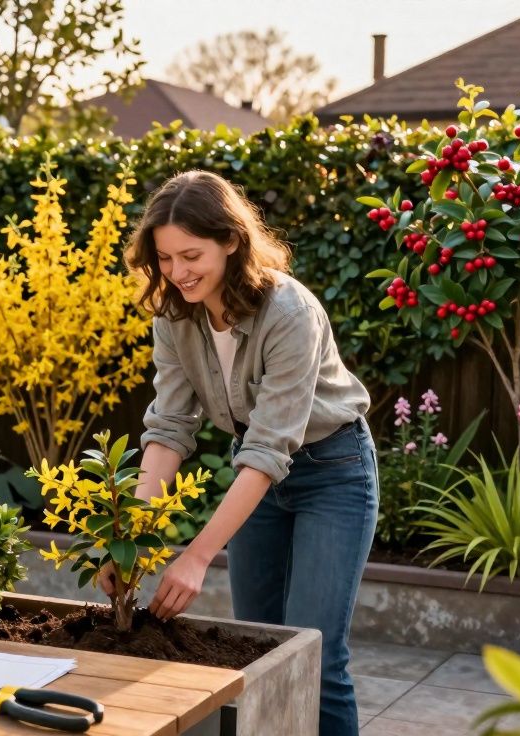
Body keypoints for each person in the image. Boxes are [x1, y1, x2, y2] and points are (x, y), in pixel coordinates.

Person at [105, 170, 378, 735]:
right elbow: (170, 427)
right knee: (256, 650)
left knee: (315, 656)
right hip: (259, 477)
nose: (177, 273)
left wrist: (198, 555)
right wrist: (128, 541)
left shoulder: (289, 313)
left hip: (333, 473)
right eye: (165, 258)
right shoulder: (175, 316)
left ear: (231, 241)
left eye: (191, 255)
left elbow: (269, 447)